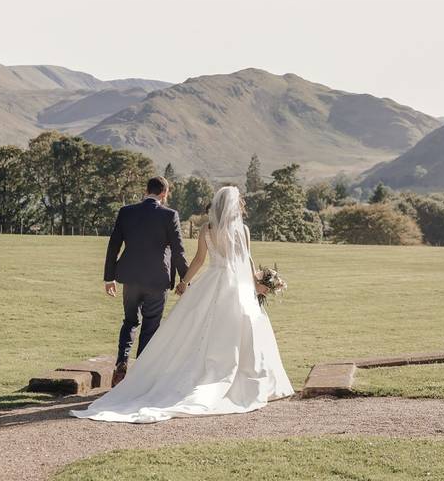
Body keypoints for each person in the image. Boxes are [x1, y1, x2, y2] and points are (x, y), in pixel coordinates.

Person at [72, 185, 294, 423]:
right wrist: (256, 284)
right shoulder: (244, 230)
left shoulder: (207, 229)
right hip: (237, 287)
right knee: (241, 328)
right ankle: (242, 377)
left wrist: (184, 282)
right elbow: (247, 260)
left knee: (197, 327)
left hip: (213, 280)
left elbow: (199, 260)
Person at [103, 176, 188, 387]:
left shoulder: (127, 212)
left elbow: (114, 246)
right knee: (150, 327)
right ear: (164, 193)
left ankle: (122, 362)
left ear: (146, 190)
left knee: (130, 321)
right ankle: (140, 374)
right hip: (158, 280)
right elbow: (178, 250)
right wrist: (185, 279)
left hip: (130, 278)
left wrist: (109, 277)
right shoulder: (170, 215)